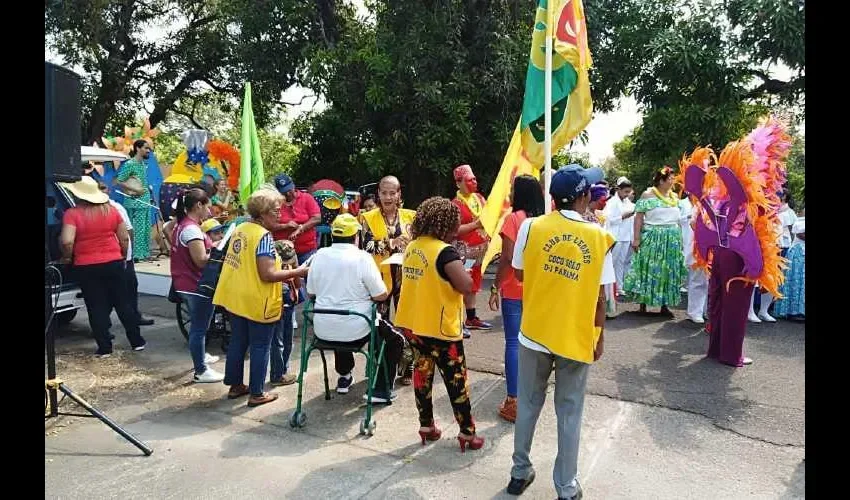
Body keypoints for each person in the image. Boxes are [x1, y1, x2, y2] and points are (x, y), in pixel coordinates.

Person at [506, 165, 615, 500]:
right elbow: (602, 296)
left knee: (527, 404)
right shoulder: (599, 236)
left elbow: (519, 273)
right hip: (574, 335)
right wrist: (598, 337)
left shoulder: (530, 226)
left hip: (534, 331)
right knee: (569, 412)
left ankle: (519, 472)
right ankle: (566, 486)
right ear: (584, 196)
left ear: (551, 197)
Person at [395, 197, 484, 452]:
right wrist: (466, 270)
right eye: (456, 222)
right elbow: (466, 286)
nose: (459, 225)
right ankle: (467, 433)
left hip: (414, 325)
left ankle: (426, 426)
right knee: (456, 381)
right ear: (445, 224)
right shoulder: (444, 252)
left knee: (422, 375)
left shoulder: (413, 247)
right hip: (441, 329)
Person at [214, 188, 308, 407]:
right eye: (275, 211)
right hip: (257, 299)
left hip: (235, 296)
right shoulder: (263, 236)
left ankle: (235, 384)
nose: (279, 214)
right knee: (260, 347)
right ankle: (257, 392)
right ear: (263, 214)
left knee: (238, 342)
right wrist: (298, 272)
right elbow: (268, 274)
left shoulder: (241, 228)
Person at [307, 214, 403, 403]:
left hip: (323, 328)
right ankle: (380, 391)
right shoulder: (362, 258)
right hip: (356, 327)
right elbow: (381, 295)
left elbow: (311, 293)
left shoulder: (318, 256)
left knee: (339, 320)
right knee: (394, 339)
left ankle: (344, 375)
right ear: (356, 236)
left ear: (333, 235)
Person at [59, 176, 146, 357]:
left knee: (96, 306)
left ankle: (105, 348)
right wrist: (122, 256)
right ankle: (136, 341)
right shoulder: (111, 210)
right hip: (113, 262)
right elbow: (124, 238)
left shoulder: (72, 214)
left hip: (87, 266)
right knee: (123, 303)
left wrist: (67, 258)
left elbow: (67, 241)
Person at [488, 175, 545, 423]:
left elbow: (507, 258)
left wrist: (494, 286)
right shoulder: (544, 220)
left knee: (513, 342)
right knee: (534, 343)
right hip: (539, 289)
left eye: (512, 189)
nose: (509, 193)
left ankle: (513, 401)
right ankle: (531, 394)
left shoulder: (514, 219)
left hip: (514, 288)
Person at [360, 176, 417, 384]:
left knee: (408, 322)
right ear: (378, 193)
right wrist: (391, 243)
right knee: (380, 323)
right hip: (379, 280)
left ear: (399, 194)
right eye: (384, 193)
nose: (388, 197)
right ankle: (379, 365)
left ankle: (408, 366)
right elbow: (365, 247)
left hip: (407, 278)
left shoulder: (411, 217)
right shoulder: (367, 218)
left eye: (392, 193)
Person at [170, 188, 224, 383]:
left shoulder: (181, 225)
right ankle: (201, 370)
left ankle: (200, 355)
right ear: (199, 205)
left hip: (186, 282)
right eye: (207, 206)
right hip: (195, 284)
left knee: (199, 326)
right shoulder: (191, 229)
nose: (209, 211)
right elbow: (201, 260)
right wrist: (219, 251)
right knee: (199, 328)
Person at [624, 167, 687, 315]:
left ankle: (665, 305)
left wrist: (680, 240)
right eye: (670, 179)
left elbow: (678, 220)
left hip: (671, 239)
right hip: (653, 237)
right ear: (661, 180)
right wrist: (637, 238)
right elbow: (638, 217)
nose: (673, 181)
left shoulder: (674, 197)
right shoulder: (647, 195)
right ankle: (643, 304)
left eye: (673, 178)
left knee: (668, 270)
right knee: (648, 268)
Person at [99, 182, 155, 327]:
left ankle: (133, 317)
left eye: (103, 188)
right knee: (110, 293)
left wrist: (128, 252)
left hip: (121, 254)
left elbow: (128, 232)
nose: (102, 191)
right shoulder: (102, 208)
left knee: (130, 288)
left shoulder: (116, 207)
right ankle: (104, 324)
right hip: (109, 256)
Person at [451, 164, 491, 332]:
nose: (473, 182)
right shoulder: (455, 205)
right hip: (463, 252)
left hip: (480, 250)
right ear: (458, 183)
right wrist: (476, 225)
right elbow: (454, 230)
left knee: (474, 284)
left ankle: (471, 317)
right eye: (469, 180)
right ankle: (457, 321)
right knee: (461, 285)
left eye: (474, 178)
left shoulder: (480, 198)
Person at [753, 192, 798, 322]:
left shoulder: (787, 212)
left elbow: (791, 230)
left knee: (773, 278)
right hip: (761, 245)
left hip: (779, 246)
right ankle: (751, 310)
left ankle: (764, 310)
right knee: (754, 278)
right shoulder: (761, 206)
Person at [269, 239, 302, 387]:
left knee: (284, 339)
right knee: (279, 341)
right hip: (279, 302)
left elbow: (298, 284)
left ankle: (283, 371)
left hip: (286, 303)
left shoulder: (287, 263)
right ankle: (278, 374)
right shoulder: (272, 267)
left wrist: (295, 268)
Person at [270, 174, 322, 265]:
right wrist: (285, 226)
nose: (288, 194)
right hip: (283, 252)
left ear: (293, 185)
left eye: (289, 190)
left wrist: (301, 228)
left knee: (308, 276)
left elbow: (317, 218)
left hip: (307, 250)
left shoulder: (306, 198)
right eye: (283, 192)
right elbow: (268, 225)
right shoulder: (274, 203)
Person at [116, 140, 153, 261]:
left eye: (149, 149)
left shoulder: (142, 164)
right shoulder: (130, 164)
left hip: (144, 201)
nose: (148, 151)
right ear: (137, 148)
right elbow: (119, 180)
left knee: (145, 229)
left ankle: (143, 254)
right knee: (137, 229)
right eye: (146, 148)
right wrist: (135, 189)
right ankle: (136, 255)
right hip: (134, 201)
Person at [603, 177, 635, 296]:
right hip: (615, 235)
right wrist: (622, 217)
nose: (627, 194)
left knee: (621, 262)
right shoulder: (612, 202)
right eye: (625, 192)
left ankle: (619, 286)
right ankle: (611, 287)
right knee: (613, 262)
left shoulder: (628, 203)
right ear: (619, 190)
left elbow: (632, 220)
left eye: (628, 192)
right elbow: (607, 218)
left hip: (625, 236)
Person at [679, 191, 708, 324]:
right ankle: (695, 311)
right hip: (700, 246)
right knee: (699, 280)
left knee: (711, 282)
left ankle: (708, 310)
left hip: (717, 249)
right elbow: (693, 223)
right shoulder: (699, 205)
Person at [773, 219, 805, 320]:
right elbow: (800, 233)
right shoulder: (800, 221)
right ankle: (793, 311)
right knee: (795, 281)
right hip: (798, 253)